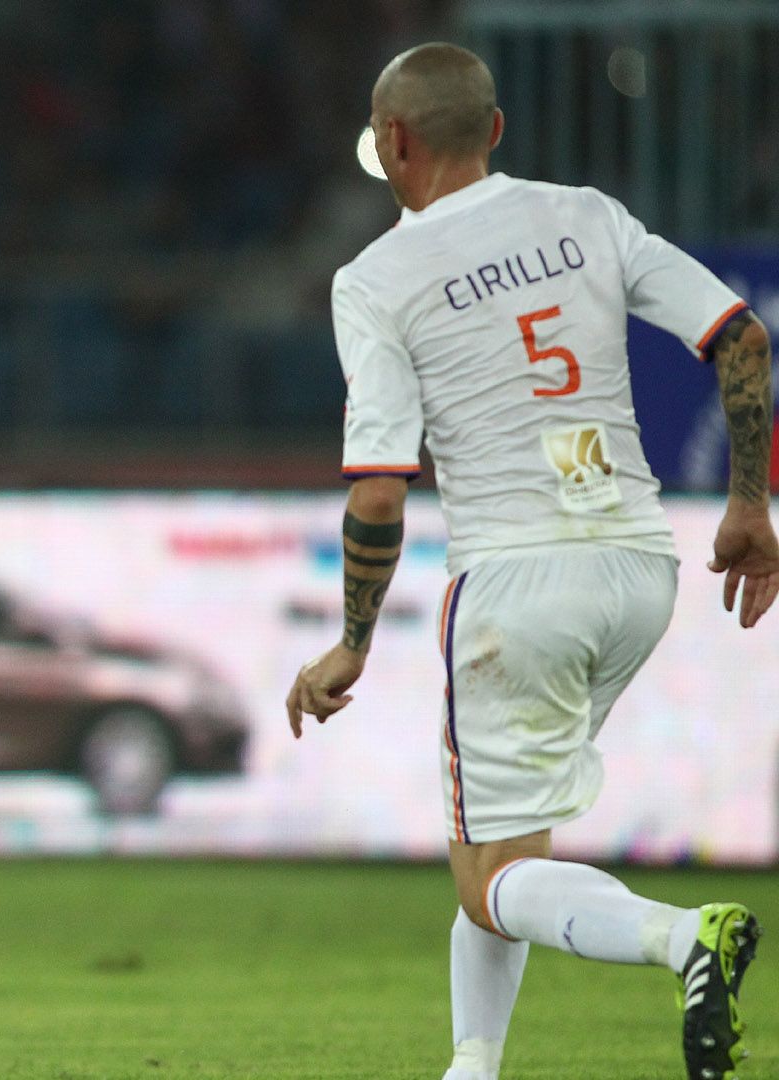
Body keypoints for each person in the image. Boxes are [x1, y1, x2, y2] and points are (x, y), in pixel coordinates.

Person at [285, 43, 776, 1080]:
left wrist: (352, 642)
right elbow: (742, 336)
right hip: (640, 567)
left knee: (491, 879)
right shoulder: (588, 214)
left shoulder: (376, 278)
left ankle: (686, 938)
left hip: (517, 583)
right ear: (496, 132)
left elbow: (379, 488)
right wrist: (748, 505)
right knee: (502, 842)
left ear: (393, 143)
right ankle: (473, 1068)